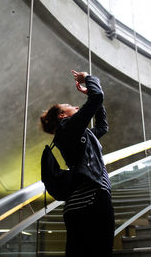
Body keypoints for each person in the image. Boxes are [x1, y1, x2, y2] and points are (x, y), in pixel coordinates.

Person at [40, 70, 114, 257]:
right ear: (63, 116)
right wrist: (88, 79)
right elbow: (98, 97)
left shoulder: (79, 135)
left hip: (79, 204)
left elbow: (103, 126)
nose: (75, 106)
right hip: (92, 198)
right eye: (70, 106)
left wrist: (91, 93)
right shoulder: (68, 128)